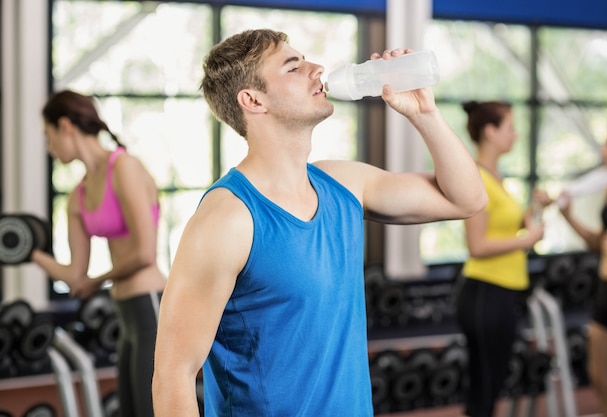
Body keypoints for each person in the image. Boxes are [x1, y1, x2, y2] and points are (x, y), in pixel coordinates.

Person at [152, 29, 488, 417]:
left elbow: (467, 199)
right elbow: (172, 375)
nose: (318, 69)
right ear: (253, 100)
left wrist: (424, 114)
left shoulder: (345, 185)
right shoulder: (227, 219)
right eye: (294, 67)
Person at [31, 90, 166, 417]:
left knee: (152, 410)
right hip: (124, 312)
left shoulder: (124, 167)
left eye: (49, 136)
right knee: (132, 410)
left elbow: (145, 253)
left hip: (151, 305)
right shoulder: (77, 195)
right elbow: (75, 276)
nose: (49, 148)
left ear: (65, 126)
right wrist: (29, 253)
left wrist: (97, 280)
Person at [454, 100, 547, 417]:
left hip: (502, 292)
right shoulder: (476, 177)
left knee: (492, 387)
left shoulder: (496, 176)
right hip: (484, 293)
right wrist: (528, 240)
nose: (516, 134)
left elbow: (512, 224)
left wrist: (536, 208)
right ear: (490, 132)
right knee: (484, 389)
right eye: (510, 128)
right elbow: (477, 245)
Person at [557, 114, 607, 417]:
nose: (604, 151)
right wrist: (569, 217)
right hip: (605, 291)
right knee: (602, 380)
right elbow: (601, 244)